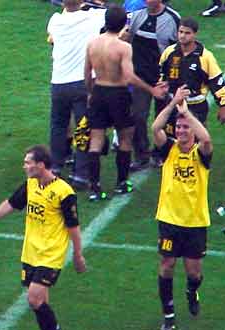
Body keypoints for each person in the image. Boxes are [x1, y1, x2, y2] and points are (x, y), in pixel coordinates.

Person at [0, 145, 86, 330]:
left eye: (28, 163)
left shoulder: (64, 192)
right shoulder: (31, 184)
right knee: (41, 301)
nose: (24, 166)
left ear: (41, 165)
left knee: (33, 299)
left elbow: (73, 226)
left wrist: (78, 254)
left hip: (51, 253)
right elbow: (11, 204)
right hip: (31, 251)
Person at [84, 4, 166, 200]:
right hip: (118, 94)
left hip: (99, 91)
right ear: (123, 24)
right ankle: (121, 183)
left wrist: (90, 93)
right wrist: (151, 89)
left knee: (95, 140)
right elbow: (129, 77)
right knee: (125, 138)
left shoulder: (92, 43)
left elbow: (87, 73)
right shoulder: (123, 47)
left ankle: (94, 187)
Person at [151, 86, 212, 330]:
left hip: (195, 222)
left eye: (185, 127)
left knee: (193, 272)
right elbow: (155, 128)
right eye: (178, 127)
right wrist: (173, 103)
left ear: (193, 132)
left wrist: (189, 114)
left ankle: (191, 290)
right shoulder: (169, 150)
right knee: (166, 264)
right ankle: (169, 314)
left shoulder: (202, 154)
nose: (181, 130)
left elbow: (207, 139)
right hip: (169, 220)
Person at [47, 0, 106, 184]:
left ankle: (55, 166)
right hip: (82, 82)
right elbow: (117, 16)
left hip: (58, 82)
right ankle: (80, 174)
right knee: (83, 128)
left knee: (58, 126)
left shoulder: (55, 20)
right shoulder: (94, 16)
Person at [123, 0, 179, 171]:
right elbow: (126, 39)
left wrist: (171, 79)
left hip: (164, 79)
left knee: (164, 118)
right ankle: (141, 155)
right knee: (137, 116)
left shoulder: (172, 19)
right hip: (141, 78)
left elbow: (177, 51)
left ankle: (160, 153)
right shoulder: (136, 16)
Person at [159, 17, 225, 129]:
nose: (182, 36)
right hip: (172, 103)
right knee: (171, 139)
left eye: (187, 33)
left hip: (196, 107)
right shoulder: (169, 52)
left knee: (196, 140)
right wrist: (162, 85)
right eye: (180, 32)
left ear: (195, 34)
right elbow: (161, 73)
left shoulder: (205, 57)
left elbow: (217, 82)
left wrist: (223, 105)